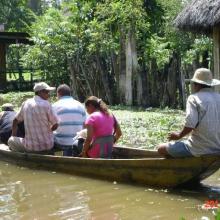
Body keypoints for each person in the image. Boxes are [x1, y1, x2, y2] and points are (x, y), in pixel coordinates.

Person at [157, 68, 220, 158]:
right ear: (210, 85)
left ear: (196, 85)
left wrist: (179, 135)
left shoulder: (193, 98)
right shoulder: (219, 97)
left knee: (160, 148)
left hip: (198, 149)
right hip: (218, 148)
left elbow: (190, 123)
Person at [8, 82, 59, 153]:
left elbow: (15, 121)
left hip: (31, 147)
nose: (48, 95)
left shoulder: (26, 103)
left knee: (10, 141)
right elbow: (56, 124)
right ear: (40, 92)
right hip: (48, 145)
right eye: (47, 92)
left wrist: (13, 136)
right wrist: (49, 130)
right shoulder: (47, 104)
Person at [52, 84, 86, 156]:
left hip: (61, 143)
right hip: (77, 143)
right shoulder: (80, 105)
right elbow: (85, 125)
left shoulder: (54, 106)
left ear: (58, 94)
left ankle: (58, 157)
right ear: (70, 93)